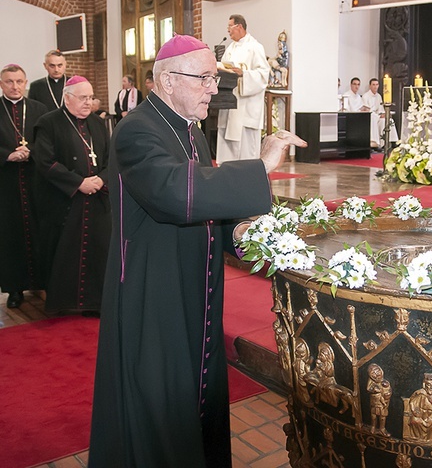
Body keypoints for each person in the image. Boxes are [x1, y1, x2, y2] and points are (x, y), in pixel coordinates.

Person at [88, 34, 305, 468]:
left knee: (197, 390)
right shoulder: (136, 131)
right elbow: (175, 193)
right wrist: (259, 166)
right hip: (155, 291)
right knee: (161, 394)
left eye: (214, 78)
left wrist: (242, 232)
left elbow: (205, 207)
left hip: (196, 285)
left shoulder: (192, 133)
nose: (214, 88)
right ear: (167, 80)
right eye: (205, 78)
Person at [32, 76, 110, 315]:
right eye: (83, 98)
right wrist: (78, 183)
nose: (89, 103)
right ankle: (64, 303)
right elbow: (45, 162)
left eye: (90, 97)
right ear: (67, 98)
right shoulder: (48, 123)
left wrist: (101, 179)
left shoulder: (98, 123)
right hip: (64, 201)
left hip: (96, 200)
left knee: (98, 252)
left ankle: (95, 303)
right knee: (64, 253)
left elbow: (110, 159)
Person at [0, 64, 48, 308]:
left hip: (35, 181)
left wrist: (32, 152)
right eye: (9, 81)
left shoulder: (39, 109)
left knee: (39, 230)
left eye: (19, 81)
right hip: (6, 185)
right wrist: (7, 155)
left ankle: (42, 282)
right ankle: (15, 288)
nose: (15, 86)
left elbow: (48, 141)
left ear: (26, 81)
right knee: (11, 235)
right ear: (1, 84)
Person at [216, 14, 270, 164]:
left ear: (239, 26)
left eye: (230, 27)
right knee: (228, 144)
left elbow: (263, 75)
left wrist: (244, 74)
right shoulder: (230, 48)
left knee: (246, 149)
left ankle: (247, 176)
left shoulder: (255, 47)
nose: (228, 31)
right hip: (229, 102)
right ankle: (226, 172)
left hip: (246, 106)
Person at [362, 77, 397, 149]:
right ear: (370, 86)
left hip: (378, 116)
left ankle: (390, 142)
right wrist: (378, 116)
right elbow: (367, 110)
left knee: (389, 120)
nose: (375, 87)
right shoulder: (365, 96)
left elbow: (381, 109)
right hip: (372, 117)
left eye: (377, 85)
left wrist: (383, 114)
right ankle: (377, 143)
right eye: (373, 85)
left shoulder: (378, 96)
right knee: (375, 119)